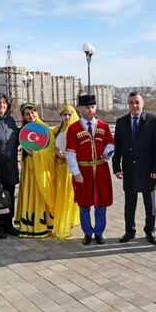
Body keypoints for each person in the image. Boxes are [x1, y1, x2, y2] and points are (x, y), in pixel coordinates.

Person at [113, 92, 156, 245]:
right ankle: (130, 231)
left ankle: (150, 231)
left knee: (150, 206)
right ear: (127, 104)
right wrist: (116, 167)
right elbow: (118, 146)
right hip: (129, 170)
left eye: (137, 102)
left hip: (148, 171)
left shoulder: (152, 121)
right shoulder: (121, 122)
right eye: (131, 102)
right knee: (129, 205)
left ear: (143, 104)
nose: (134, 105)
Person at [66, 95, 114, 245]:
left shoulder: (103, 126)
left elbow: (111, 143)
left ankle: (99, 233)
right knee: (84, 204)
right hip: (83, 171)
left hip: (101, 169)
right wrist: (76, 172)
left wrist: (108, 151)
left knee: (102, 204)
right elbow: (70, 152)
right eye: (87, 107)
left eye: (92, 107)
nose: (90, 110)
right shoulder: (73, 129)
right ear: (80, 108)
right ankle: (87, 232)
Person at [14, 103, 56, 238]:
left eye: (33, 112)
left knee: (40, 195)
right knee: (29, 194)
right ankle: (29, 225)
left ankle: (44, 225)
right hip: (28, 170)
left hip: (42, 170)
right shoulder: (24, 131)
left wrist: (36, 154)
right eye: (27, 114)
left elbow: (51, 150)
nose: (31, 115)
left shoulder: (45, 129)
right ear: (23, 116)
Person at [0, 93, 20, 239]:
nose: (2, 105)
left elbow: (19, 140)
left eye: (4, 103)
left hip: (11, 164)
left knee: (10, 195)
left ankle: (9, 224)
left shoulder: (11, 121)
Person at [52, 104, 80, 240]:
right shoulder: (56, 130)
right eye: (64, 114)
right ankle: (61, 218)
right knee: (59, 194)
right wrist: (57, 155)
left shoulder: (77, 130)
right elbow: (51, 146)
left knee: (69, 195)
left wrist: (65, 156)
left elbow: (80, 151)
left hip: (70, 169)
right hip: (59, 168)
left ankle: (68, 220)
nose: (67, 117)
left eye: (69, 114)